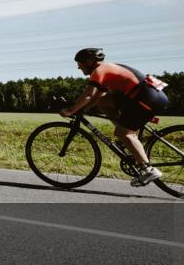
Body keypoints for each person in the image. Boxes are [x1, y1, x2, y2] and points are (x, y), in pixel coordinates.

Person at [60, 48, 169, 187]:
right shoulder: (108, 68)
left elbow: (88, 94)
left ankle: (148, 169)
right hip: (148, 95)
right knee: (103, 102)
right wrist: (82, 108)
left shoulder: (98, 71)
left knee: (122, 133)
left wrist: (70, 111)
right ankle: (125, 133)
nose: (78, 67)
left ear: (89, 62)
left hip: (146, 99)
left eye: (80, 63)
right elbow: (97, 97)